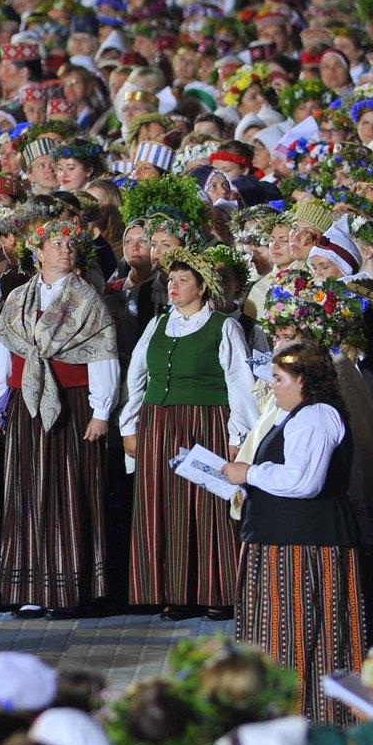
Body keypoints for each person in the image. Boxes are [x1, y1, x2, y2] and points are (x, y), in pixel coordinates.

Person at [0, 215, 120, 618]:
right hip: (26, 404)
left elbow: (103, 355)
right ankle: (29, 586)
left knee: (68, 491)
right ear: (38, 253)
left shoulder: (87, 300)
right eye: (56, 244)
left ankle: (67, 588)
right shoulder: (18, 298)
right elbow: (1, 352)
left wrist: (101, 410)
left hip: (72, 405)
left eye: (70, 244)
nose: (65, 249)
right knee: (26, 491)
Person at [222, 342, 367, 722]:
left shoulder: (317, 416)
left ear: (304, 381)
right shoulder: (296, 415)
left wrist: (249, 472)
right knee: (277, 632)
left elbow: (304, 481)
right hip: (282, 539)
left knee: (299, 631)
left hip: (303, 546)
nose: (272, 386)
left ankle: (309, 718)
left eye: (279, 379)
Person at [122, 247, 257, 620]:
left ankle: (217, 590)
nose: (174, 287)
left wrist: (237, 435)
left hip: (205, 422)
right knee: (162, 505)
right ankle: (173, 591)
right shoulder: (157, 325)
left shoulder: (222, 326)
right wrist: (129, 425)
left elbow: (240, 385)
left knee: (207, 506)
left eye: (183, 281)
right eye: (172, 281)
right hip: (158, 424)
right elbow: (137, 376)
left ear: (202, 288)